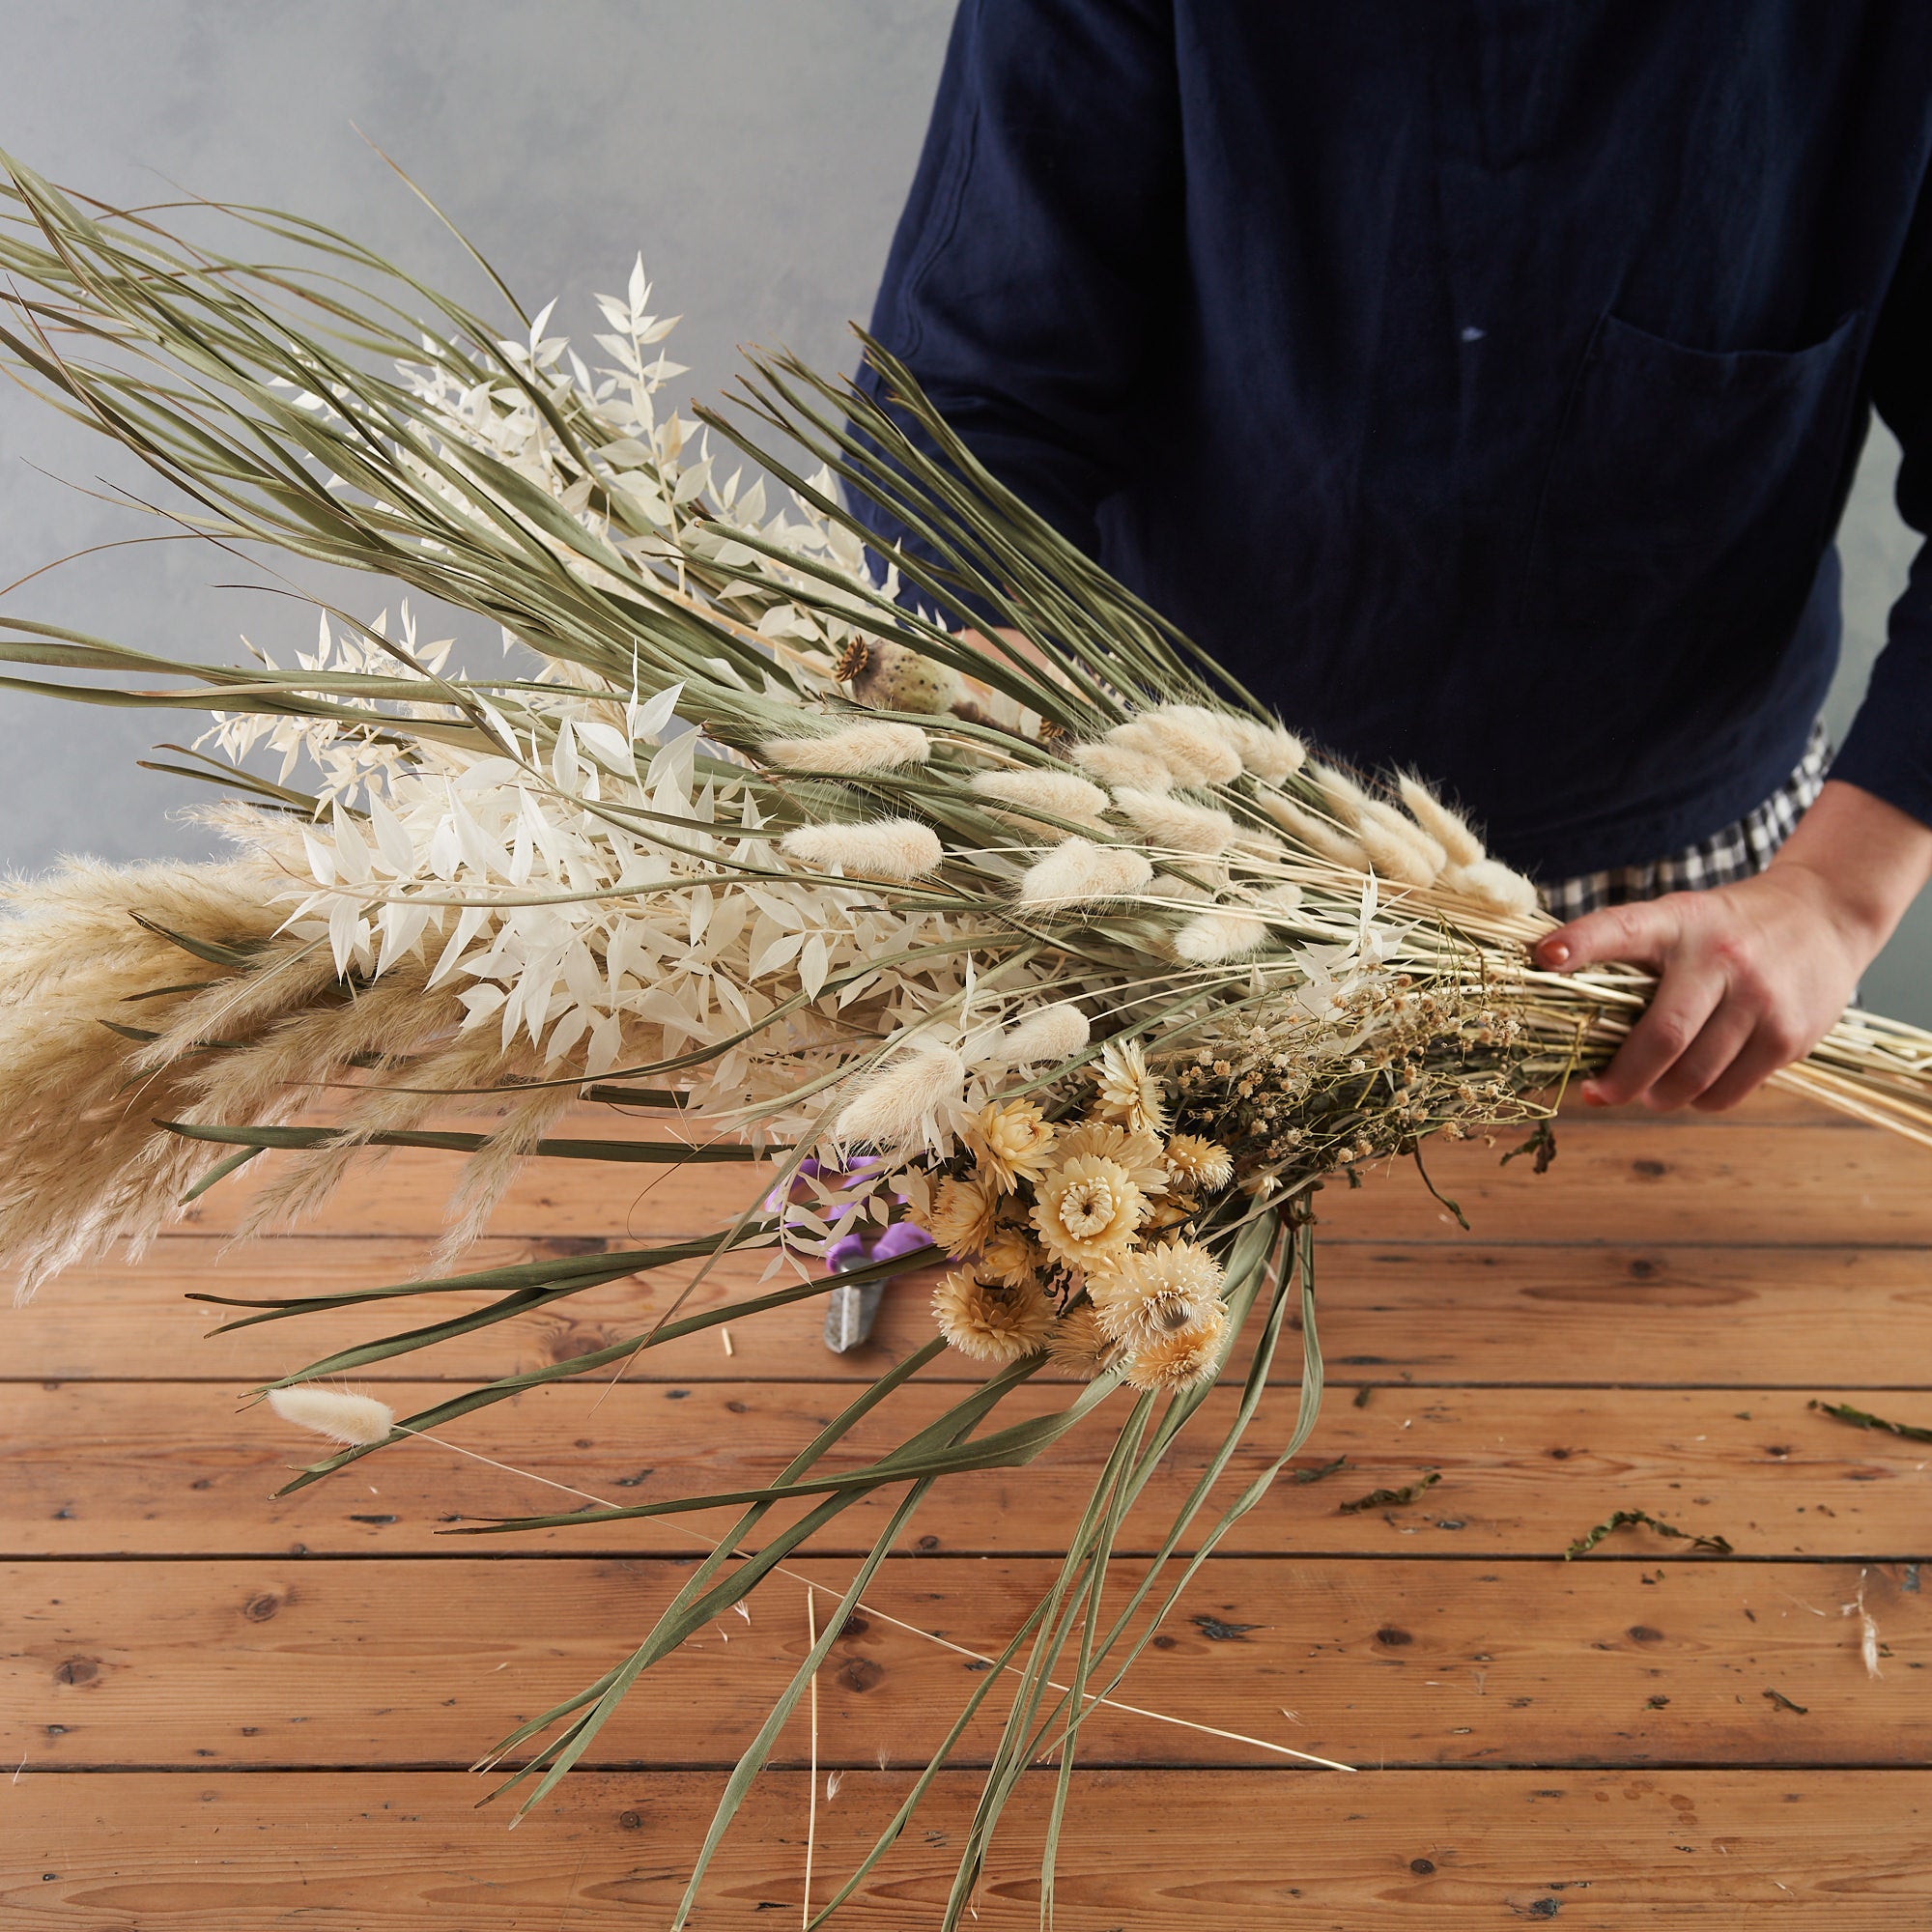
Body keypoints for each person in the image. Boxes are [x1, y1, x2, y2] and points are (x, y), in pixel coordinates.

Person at [849, 0, 1932, 1112]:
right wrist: (1043, 763)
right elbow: (963, 403)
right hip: (1189, 860)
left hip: (1687, 919)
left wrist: (1834, 899)